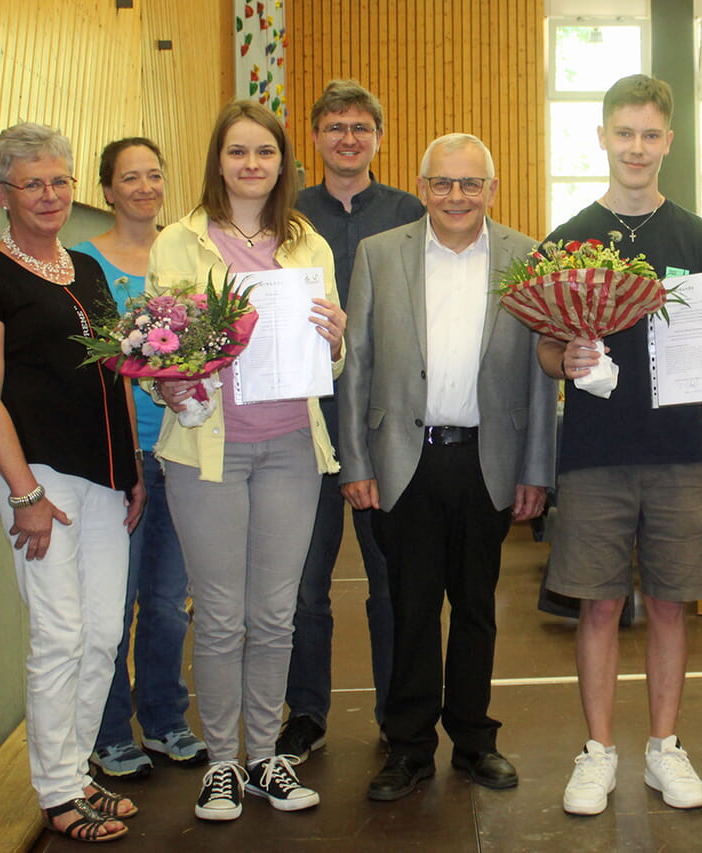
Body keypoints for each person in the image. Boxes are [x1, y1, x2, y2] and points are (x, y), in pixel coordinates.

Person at [537, 74, 702, 816]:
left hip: (679, 453)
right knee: (597, 607)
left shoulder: (698, 238)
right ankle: (598, 751)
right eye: (623, 132)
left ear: (669, 141)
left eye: (650, 134)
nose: (636, 146)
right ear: (601, 137)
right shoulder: (567, 238)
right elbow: (544, 347)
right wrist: (560, 356)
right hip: (594, 452)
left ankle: (664, 746)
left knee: (668, 603)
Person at [339, 133, 556, 802]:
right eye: (443, 183)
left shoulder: (526, 256)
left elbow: (541, 377)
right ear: (422, 185)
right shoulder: (379, 255)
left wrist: (536, 469)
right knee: (409, 606)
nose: (456, 196)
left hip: (486, 461)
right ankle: (407, 746)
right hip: (404, 460)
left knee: (476, 608)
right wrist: (355, 459)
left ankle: (474, 738)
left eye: (470, 184)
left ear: (492, 190)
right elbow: (356, 365)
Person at [147, 100, 346, 821]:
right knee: (223, 615)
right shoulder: (179, 241)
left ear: (284, 163)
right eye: (238, 152)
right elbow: (159, 342)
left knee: (276, 614)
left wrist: (335, 337)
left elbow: (329, 353)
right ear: (218, 160)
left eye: (264, 152)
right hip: (208, 451)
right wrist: (169, 378)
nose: (252, 164)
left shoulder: (308, 244)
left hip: (293, 446)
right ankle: (221, 764)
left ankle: (265, 756)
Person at [0, 122, 144, 842]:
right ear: (3, 193)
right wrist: (25, 493)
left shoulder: (87, 271)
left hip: (105, 479)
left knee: (100, 635)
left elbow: (116, 370)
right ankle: (57, 791)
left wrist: (132, 471)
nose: (49, 194)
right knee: (59, 635)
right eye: (32, 183)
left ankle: (76, 766)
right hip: (40, 483)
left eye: (59, 180)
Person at [277, 79, 425, 763]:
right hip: (303, 425)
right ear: (314, 136)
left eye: (360, 127)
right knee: (306, 585)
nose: (347, 138)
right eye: (334, 126)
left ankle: (401, 713)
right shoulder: (285, 214)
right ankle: (305, 711)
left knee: (392, 581)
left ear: (378, 138)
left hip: (385, 426)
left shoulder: (411, 213)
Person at [74, 137, 208, 779]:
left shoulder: (183, 252)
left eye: (155, 174)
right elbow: (100, 370)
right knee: (114, 601)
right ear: (106, 188)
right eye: (130, 177)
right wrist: (125, 456)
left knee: (166, 600)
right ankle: (110, 732)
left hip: (179, 449)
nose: (145, 186)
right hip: (118, 459)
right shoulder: (86, 263)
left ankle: (164, 721)